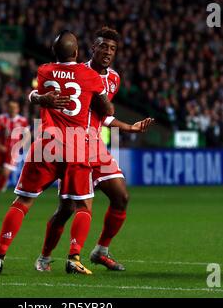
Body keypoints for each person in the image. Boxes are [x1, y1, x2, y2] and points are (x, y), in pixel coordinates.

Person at [0, 30, 115, 275]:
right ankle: (74, 257)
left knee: (23, 201)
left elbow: (34, 95)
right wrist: (103, 101)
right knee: (83, 206)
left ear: (54, 53)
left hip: (45, 143)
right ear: (77, 52)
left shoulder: (45, 70)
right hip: (76, 145)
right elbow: (106, 109)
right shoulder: (90, 75)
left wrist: (39, 97)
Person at [30, 27, 153, 272]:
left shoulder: (114, 79)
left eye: (112, 49)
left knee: (121, 197)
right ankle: (44, 257)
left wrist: (129, 127)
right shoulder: (76, 72)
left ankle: (100, 251)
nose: (108, 52)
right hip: (73, 145)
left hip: (95, 145)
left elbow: (102, 116)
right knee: (66, 209)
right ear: (92, 48)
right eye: (103, 47)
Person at [0, 101, 30, 203]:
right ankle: (3, 183)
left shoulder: (22, 120)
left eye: (14, 108)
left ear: (18, 109)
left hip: (13, 151)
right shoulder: (1, 118)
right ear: (7, 108)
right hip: (1, 149)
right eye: (10, 108)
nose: (12, 110)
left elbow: (27, 134)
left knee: (5, 172)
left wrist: (21, 144)